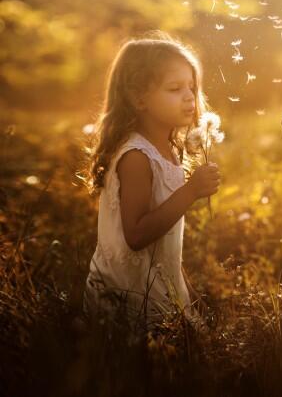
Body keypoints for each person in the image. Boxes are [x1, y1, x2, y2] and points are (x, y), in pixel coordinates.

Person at [81, 31, 220, 333]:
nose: (189, 97)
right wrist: (192, 191)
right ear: (138, 97)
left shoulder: (170, 150)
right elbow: (137, 235)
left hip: (155, 284)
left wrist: (185, 291)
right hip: (125, 297)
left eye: (192, 88)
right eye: (174, 88)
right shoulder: (136, 157)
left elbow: (163, 246)